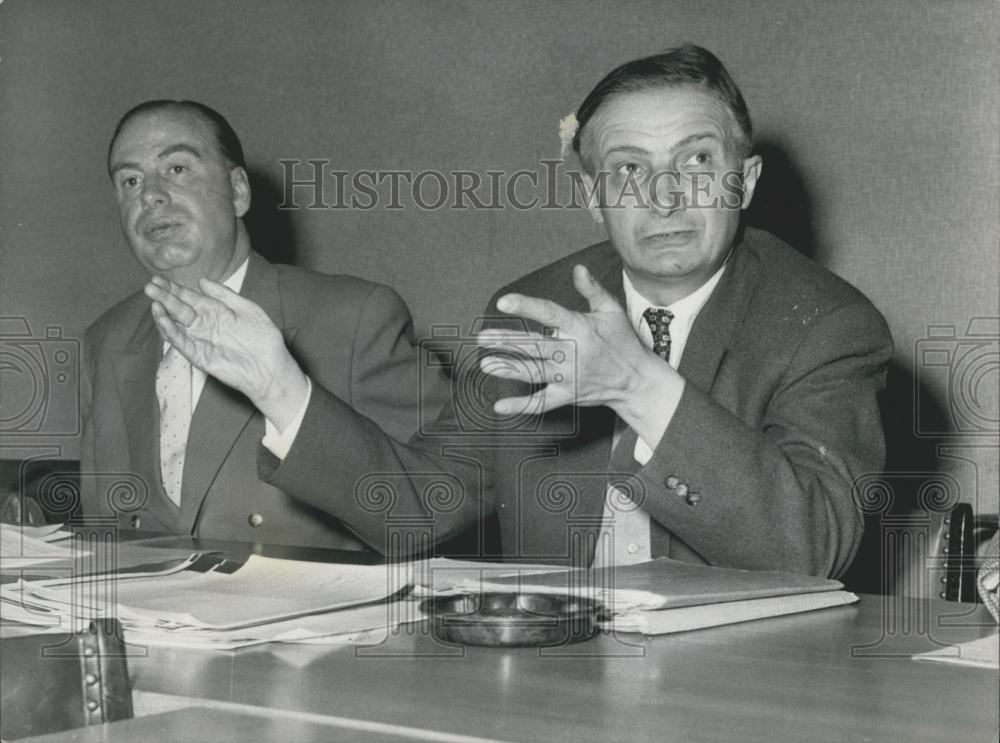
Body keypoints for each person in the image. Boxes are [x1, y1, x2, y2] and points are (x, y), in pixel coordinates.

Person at [152, 46, 893, 577]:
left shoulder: (823, 323)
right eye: (629, 169)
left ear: (746, 180)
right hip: (552, 682)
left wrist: (637, 385)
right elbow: (419, 509)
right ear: (592, 196)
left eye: (696, 162)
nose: (664, 197)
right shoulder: (536, 311)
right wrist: (280, 386)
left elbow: (812, 548)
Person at [80, 100, 446, 549]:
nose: (149, 195)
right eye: (130, 180)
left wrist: (289, 397)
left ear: (238, 192)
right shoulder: (106, 340)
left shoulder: (355, 316)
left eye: (177, 169)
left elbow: (441, 507)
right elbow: (103, 535)